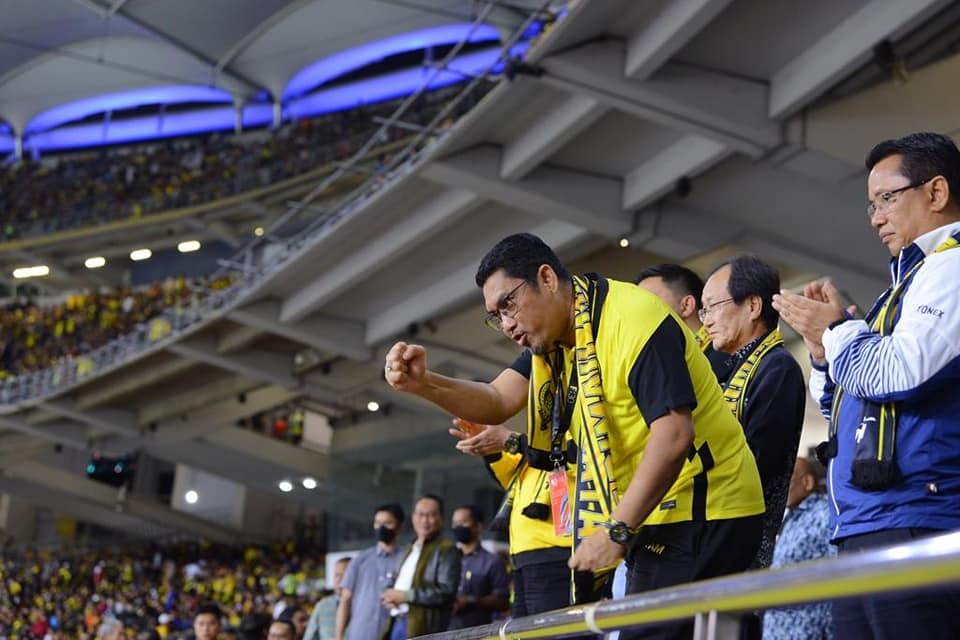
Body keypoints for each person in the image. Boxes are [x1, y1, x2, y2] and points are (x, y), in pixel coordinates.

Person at [386, 232, 766, 638]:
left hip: (710, 505)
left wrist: (617, 529)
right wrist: (424, 383)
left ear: (547, 279)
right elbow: (497, 399)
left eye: (508, 304)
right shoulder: (555, 344)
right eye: (496, 315)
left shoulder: (633, 318)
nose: (506, 324)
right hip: (657, 511)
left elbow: (673, 435)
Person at [773, 131, 960, 639]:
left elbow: (900, 373)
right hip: (871, 520)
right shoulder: (902, 288)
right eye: (871, 205)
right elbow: (844, 405)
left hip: (916, 517)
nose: (876, 218)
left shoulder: (951, 266)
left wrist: (836, 330)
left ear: (936, 192)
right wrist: (821, 349)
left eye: (887, 199)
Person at [701, 255, 806, 569]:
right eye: (704, 310)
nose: (706, 321)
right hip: (714, 535)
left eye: (713, 306)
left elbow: (757, 462)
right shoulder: (729, 367)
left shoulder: (777, 368)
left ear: (752, 306)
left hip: (740, 543)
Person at [450, 418, 574, 616]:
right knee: (523, 629)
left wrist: (510, 440)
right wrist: (490, 448)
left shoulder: (574, 436)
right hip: (523, 556)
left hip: (555, 554)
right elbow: (510, 474)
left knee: (546, 628)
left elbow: (571, 459)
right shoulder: (537, 447)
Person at [762, 457, 836, 640]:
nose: (781, 488)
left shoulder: (823, 515)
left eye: (788, 479)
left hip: (807, 629)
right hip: (779, 629)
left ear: (807, 482)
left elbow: (836, 571)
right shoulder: (790, 519)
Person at [381, 495, 461, 639]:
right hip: (397, 621)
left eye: (431, 515)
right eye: (421, 514)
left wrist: (405, 596)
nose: (425, 520)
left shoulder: (447, 549)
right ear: (413, 518)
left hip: (424, 628)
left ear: (441, 519)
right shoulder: (408, 549)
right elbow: (395, 582)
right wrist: (388, 596)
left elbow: (446, 592)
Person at [636, 263, 725, 375]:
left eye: (649, 301)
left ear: (686, 305)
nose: (640, 311)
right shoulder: (661, 360)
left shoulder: (726, 351)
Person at [335, 504, 405, 640]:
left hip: (395, 633)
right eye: (378, 523)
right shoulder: (361, 560)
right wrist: (339, 636)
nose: (382, 528)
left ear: (399, 527)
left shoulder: (407, 559)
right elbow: (345, 599)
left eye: (388, 523)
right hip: (361, 634)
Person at [447, 504, 510, 629]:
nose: (458, 527)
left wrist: (471, 600)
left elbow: (503, 601)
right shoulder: (447, 559)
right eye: (455, 523)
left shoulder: (492, 561)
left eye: (463, 522)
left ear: (478, 526)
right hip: (444, 630)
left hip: (476, 630)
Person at [304, 557, 351, 640]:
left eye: (344, 575)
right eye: (337, 575)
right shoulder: (323, 606)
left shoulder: (366, 606)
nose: (339, 580)